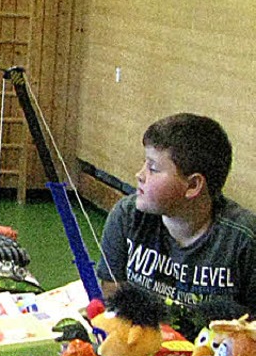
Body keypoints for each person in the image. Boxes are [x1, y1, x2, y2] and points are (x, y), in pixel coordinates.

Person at [96, 113, 256, 340]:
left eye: (153, 167)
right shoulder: (127, 216)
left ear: (192, 185)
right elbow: (113, 297)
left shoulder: (243, 239)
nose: (140, 175)